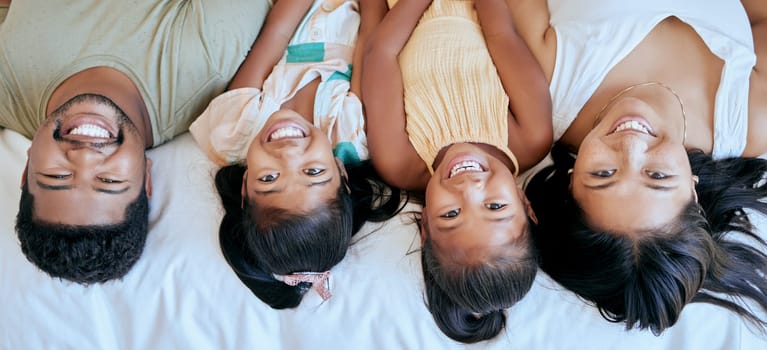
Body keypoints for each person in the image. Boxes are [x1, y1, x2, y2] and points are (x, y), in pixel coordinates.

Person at [512, 0, 767, 334]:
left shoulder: (548, 87)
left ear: (571, 182)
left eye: (603, 174)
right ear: (692, 189)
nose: (631, 148)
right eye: (657, 176)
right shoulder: (748, 118)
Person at [1, 0, 271, 284]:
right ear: (145, 179)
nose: (84, 156)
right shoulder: (203, 57)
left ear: (26, 168)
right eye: (108, 180)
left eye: (58, 176)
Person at [189, 0, 404, 309]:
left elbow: (275, 33)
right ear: (342, 174)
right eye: (313, 172)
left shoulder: (234, 131)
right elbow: (370, 41)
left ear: (244, 187)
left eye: (269, 178)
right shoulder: (350, 135)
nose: (288, 155)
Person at [363, 0, 552, 343]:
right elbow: (501, 33)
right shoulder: (531, 136)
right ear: (526, 206)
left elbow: (381, 52)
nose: (468, 188)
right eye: (495, 207)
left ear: (425, 227)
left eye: (451, 214)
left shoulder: (399, 160)